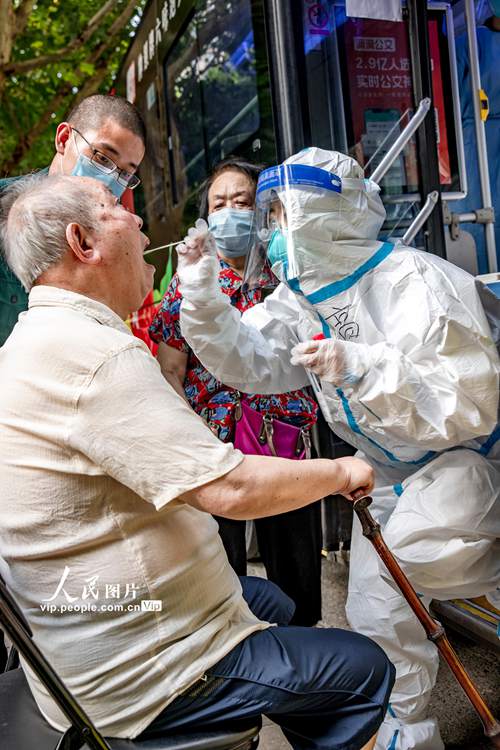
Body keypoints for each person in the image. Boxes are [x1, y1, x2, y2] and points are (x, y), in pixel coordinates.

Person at [0, 173, 395, 750]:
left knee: (277, 600)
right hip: (142, 667)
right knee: (364, 667)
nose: (137, 219)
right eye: (116, 208)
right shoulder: (98, 357)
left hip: (94, 626)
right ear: (83, 243)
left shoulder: (30, 342)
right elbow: (230, 490)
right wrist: (343, 471)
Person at [176, 147, 500, 750]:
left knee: (418, 551)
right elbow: (248, 357)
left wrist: (363, 366)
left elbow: (468, 404)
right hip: (387, 471)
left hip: (467, 462)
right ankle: (405, 734)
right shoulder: (306, 299)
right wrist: (200, 297)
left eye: (277, 214)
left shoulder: (417, 281)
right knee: (377, 609)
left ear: (322, 213)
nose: (269, 230)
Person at [149, 157, 322, 625]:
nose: (229, 211)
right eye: (218, 203)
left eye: (241, 201)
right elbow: (170, 368)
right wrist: (189, 438)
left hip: (284, 438)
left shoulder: (286, 276)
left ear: (263, 209)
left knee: (295, 556)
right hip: (215, 444)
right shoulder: (191, 283)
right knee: (220, 561)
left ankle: (304, 645)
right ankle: (238, 647)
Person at [0, 93, 146, 346]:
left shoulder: (113, 237)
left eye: (125, 173)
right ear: (64, 139)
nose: (109, 179)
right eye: (101, 158)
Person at [454, 0, 500, 272]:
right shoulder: (469, 44)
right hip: (475, 142)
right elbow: (451, 102)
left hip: (479, 138)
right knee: (481, 218)